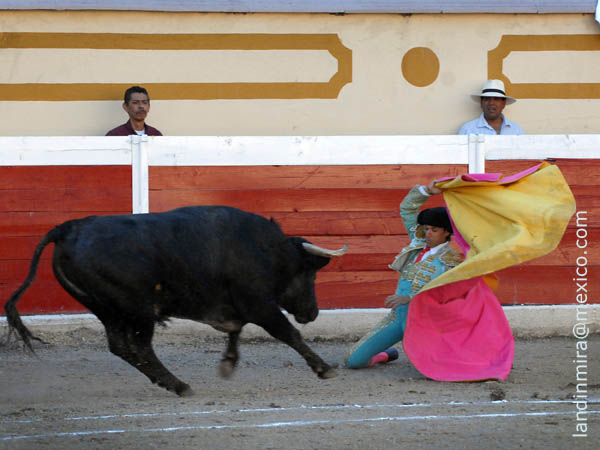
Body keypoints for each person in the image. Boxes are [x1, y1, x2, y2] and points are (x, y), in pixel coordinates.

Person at [345, 180, 463, 369]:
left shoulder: (452, 261)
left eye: (434, 230)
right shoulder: (416, 244)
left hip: (424, 324)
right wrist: (426, 191)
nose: (428, 234)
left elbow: (446, 295)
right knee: (353, 360)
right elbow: (407, 209)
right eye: (426, 229)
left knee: (434, 369)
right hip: (397, 318)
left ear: (447, 232)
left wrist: (409, 298)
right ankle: (384, 355)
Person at [458, 79, 523, 135]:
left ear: (503, 103)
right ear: (481, 102)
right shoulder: (467, 130)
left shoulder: (516, 130)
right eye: (487, 98)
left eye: (496, 99)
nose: (491, 103)